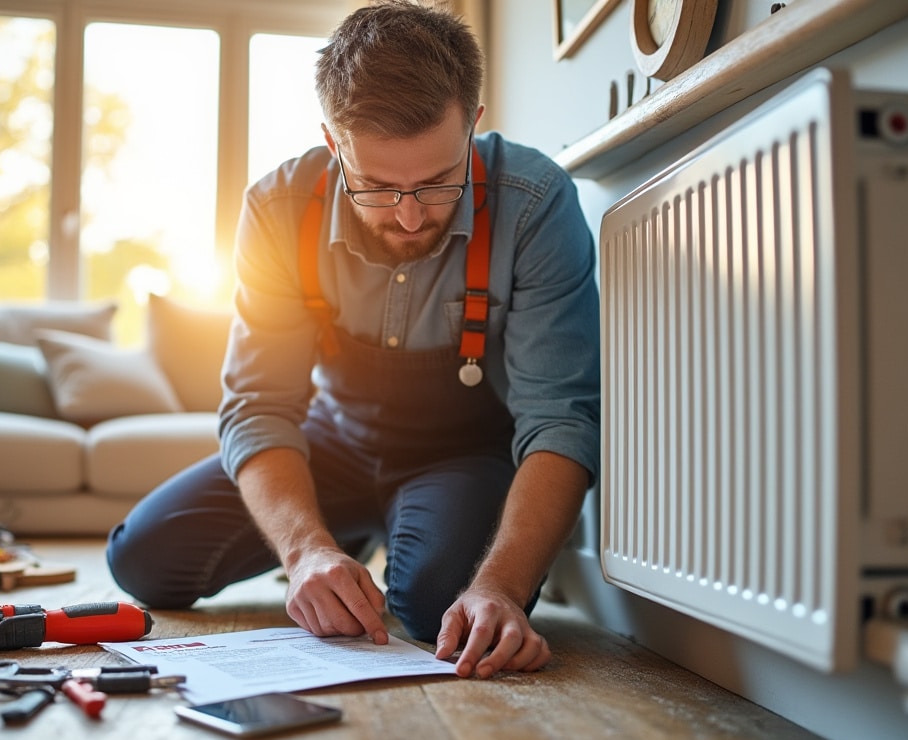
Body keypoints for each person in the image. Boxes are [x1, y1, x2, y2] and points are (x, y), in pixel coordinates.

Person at [106, 0, 599, 680]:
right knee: (143, 559)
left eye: (435, 183)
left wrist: (502, 589)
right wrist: (305, 549)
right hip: (328, 444)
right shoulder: (277, 209)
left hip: (460, 456)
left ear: (473, 125)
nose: (408, 215)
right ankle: (346, 538)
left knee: (441, 609)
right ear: (334, 144)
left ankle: (402, 542)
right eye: (376, 185)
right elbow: (258, 405)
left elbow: (559, 420)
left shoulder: (535, 202)